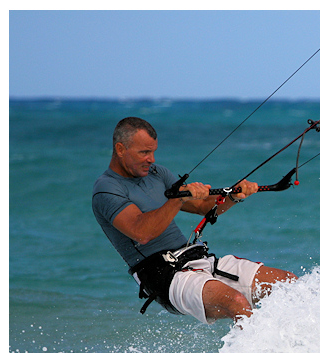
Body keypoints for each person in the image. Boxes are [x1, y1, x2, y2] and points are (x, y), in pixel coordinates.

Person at [93, 117, 296, 323]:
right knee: (237, 303)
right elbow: (142, 232)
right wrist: (179, 198)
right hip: (164, 277)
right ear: (120, 149)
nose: (152, 159)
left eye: (153, 151)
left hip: (197, 260)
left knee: (289, 284)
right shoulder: (107, 189)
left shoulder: (157, 174)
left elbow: (202, 206)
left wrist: (234, 196)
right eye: (144, 152)